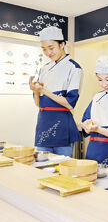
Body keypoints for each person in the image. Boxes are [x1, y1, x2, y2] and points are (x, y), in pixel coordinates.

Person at [29, 27, 83, 157]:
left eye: (51, 48)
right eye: (44, 49)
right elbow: (39, 104)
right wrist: (36, 91)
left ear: (62, 44)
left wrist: (44, 91)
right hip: (43, 124)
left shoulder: (74, 68)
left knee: (62, 169)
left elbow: (70, 104)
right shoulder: (44, 69)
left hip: (62, 125)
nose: (48, 52)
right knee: (42, 168)